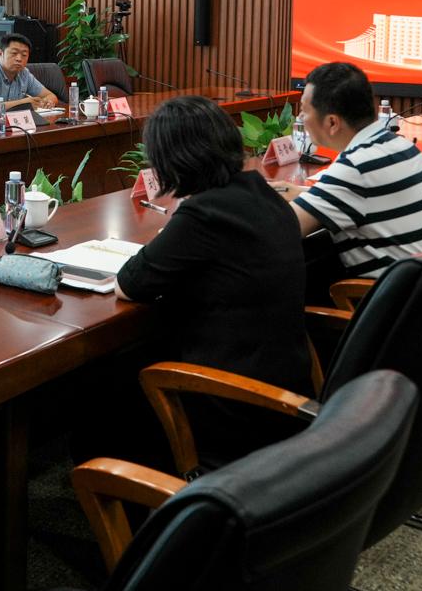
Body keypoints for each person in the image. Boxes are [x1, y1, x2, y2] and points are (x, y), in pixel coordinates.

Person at [114, 94, 313, 465]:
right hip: (287, 393)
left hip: (230, 407)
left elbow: (128, 284)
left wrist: (175, 226)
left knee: (102, 407)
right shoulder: (264, 193)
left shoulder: (203, 213)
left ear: (173, 160)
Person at [274, 62, 422, 301]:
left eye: (304, 111)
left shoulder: (355, 167)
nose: (300, 118)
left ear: (332, 122)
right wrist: (302, 193)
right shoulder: (400, 146)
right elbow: (367, 197)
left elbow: (281, 231)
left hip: (393, 310)